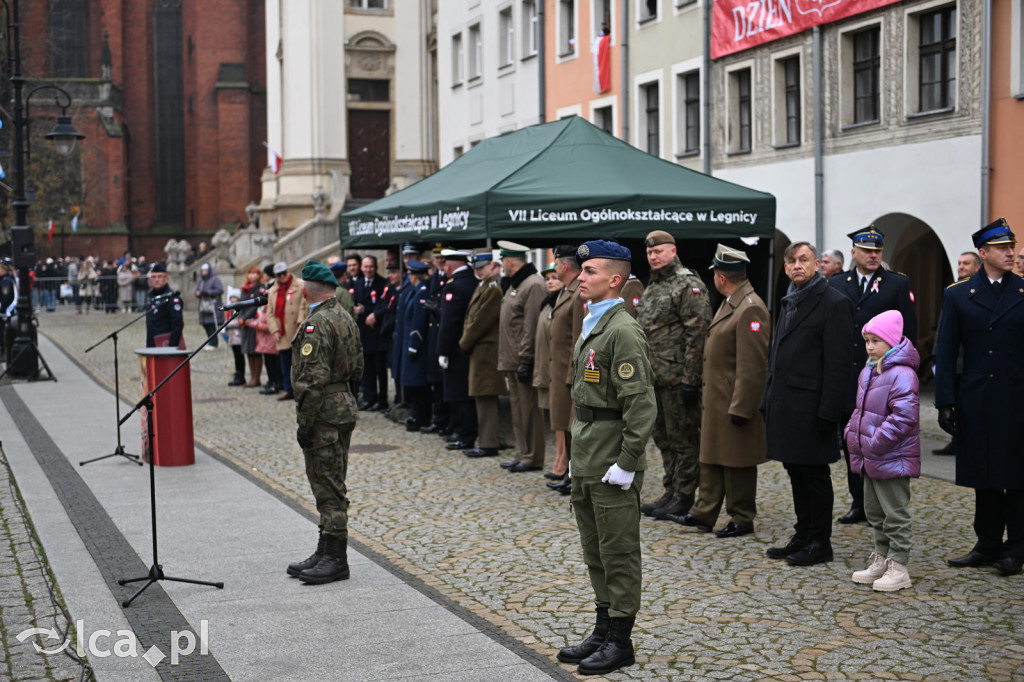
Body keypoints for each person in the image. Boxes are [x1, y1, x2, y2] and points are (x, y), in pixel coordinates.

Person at [557, 240, 656, 676]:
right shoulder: (594, 322)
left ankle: (621, 639)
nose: (581, 275)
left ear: (615, 279)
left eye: (591, 270)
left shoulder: (622, 330)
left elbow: (640, 405)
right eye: (582, 269)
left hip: (611, 456)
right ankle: (602, 628)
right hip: (588, 450)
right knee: (595, 548)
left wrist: (629, 460)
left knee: (618, 550)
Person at [936, 218, 1024, 577]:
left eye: (1012, 246)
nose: (1010, 252)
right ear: (983, 253)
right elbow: (946, 350)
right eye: (1002, 247)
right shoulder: (958, 294)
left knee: (1017, 477)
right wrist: (945, 401)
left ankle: (1016, 548)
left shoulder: (1022, 291)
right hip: (977, 396)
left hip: (1017, 397)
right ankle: (987, 543)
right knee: (984, 475)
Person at [761, 242, 853, 566]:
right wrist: (766, 398)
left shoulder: (833, 302)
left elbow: (839, 364)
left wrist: (830, 413)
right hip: (786, 404)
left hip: (813, 408)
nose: (797, 265)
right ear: (785, 268)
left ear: (817, 264)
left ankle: (819, 541)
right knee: (795, 471)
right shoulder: (789, 299)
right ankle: (802, 534)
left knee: (815, 475)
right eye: (791, 261)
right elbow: (777, 355)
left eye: (803, 260)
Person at [669, 245, 769, 538]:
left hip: (734, 400)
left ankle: (742, 516)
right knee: (712, 456)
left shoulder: (749, 307)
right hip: (717, 398)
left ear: (721, 277)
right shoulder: (731, 302)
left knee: (737, 460)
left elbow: (753, 366)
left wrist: (742, 406)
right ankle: (704, 511)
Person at [830, 226, 918, 525]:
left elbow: (909, 332)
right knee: (853, 441)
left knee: (881, 442)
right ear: (853, 253)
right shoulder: (838, 283)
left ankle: (882, 505)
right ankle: (860, 502)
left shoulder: (896, 284)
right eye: (866, 251)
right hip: (848, 378)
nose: (873, 256)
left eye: (877, 251)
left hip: (883, 379)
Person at [287, 260, 364, 585]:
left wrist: (305, 422)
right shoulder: (344, 316)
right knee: (331, 479)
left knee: (327, 484)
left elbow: (311, 380)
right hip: (342, 406)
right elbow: (359, 366)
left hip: (324, 414)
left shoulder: (316, 324)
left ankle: (336, 558)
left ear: (306, 289)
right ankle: (324, 549)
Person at [635, 230, 712, 520]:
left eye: (659, 252)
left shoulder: (687, 284)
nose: (654, 257)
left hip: (678, 379)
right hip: (654, 377)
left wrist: (691, 379)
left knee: (684, 439)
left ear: (673, 251)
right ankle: (671, 489)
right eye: (650, 253)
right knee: (663, 438)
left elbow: (698, 332)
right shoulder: (652, 286)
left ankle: (685, 495)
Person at [845, 309, 920, 591]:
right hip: (871, 455)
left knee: (895, 513)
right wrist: (852, 433)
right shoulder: (869, 370)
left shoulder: (902, 373)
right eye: (866, 340)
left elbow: (904, 417)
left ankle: (899, 565)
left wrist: (874, 441)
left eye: (875, 340)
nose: (869, 346)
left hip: (892, 457)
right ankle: (881, 557)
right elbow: (860, 409)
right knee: (874, 511)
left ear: (890, 341)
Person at [496, 240, 548, 473]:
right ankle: (522, 452)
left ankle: (532, 457)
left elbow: (531, 325)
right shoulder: (515, 284)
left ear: (510, 261)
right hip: (511, 358)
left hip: (522, 358)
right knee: (518, 411)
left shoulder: (533, 284)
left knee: (528, 411)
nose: (503, 266)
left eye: (503, 262)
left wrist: (526, 358)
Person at [545, 245, 586, 494]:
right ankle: (570, 475)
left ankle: (575, 476)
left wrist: (573, 374)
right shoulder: (566, 292)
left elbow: (577, 339)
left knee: (572, 426)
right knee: (564, 424)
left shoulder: (577, 294)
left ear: (565, 265)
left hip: (568, 371)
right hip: (559, 370)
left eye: (557, 263)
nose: (555, 267)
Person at [932, 251, 982, 456]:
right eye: (959, 263)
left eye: (966, 263)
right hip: (954, 360)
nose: (961, 266)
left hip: (970, 362)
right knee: (956, 404)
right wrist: (937, 353)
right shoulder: (953, 292)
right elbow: (945, 327)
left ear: (977, 266)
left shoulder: (979, 291)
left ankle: (967, 442)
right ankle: (956, 439)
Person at [460, 253, 508, 457]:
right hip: (481, 349)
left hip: (486, 349)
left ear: (491, 265)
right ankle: (490, 438)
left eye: (482, 267)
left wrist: (464, 342)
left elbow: (480, 321)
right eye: (476, 268)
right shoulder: (484, 285)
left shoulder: (492, 288)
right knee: (482, 395)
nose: (478, 271)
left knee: (485, 395)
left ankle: (489, 443)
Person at [437, 249, 479, 450]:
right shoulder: (472, 281)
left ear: (450, 265)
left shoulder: (454, 286)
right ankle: (465, 432)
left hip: (456, 347)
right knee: (466, 392)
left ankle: (465, 433)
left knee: (459, 394)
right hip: (471, 344)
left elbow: (449, 322)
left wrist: (443, 351)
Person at [398, 260, 433, 430]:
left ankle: (422, 418)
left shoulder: (422, 292)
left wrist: (414, 344)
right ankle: (417, 415)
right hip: (409, 342)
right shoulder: (415, 291)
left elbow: (419, 320)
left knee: (420, 385)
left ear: (414, 276)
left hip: (417, 344)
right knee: (414, 384)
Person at [266, 261, 307, 400]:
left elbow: (304, 305)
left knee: (300, 361)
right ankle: (289, 389)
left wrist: (301, 323)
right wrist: (274, 330)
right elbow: (269, 313)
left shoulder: (300, 285)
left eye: (284, 273)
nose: (282, 276)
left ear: (288, 272)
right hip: (282, 331)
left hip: (296, 328)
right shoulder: (272, 290)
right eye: (279, 275)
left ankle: (302, 389)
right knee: (285, 362)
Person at [352, 256, 389, 410]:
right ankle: (369, 397)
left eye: (371, 267)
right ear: (362, 268)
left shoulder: (382, 283)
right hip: (364, 332)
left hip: (377, 332)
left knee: (380, 369)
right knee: (367, 369)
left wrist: (366, 310)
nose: (368, 270)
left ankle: (382, 400)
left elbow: (384, 305)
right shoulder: (358, 283)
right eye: (366, 267)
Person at [145, 263, 184, 348]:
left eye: (160, 276)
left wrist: (171, 346)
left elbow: (177, 325)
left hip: (165, 345)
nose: (156, 280)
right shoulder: (151, 297)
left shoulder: (172, 299)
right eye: (154, 277)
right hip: (152, 343)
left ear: (166, 279)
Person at [238, 266, 265, 387]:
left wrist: (244, 318)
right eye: (250, 273)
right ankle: (252, 377)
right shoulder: (245, 289)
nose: (252, 276)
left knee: (255, 351)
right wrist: (240, 317)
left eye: (255, 273)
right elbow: (241, 304)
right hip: (244, 323)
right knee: (248, 351)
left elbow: (254, 306)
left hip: (253, 321)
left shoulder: (260, 288)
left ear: (259, 276)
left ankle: (256, 378)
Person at [195, 263, 225, 349]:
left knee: (212, 325)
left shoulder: (215, 280)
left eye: (206, 270)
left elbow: (220, 290)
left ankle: (213, 343)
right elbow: (197, 290)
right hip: (203, 306)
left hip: (212, 306)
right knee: (206, 325)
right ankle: (210, 342)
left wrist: (208, 292)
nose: (204, 272)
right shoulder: (201, 281)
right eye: (203, 271)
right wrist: (198, 293)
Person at [225, 292, 247, 386]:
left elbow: (238, 322)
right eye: (231, 298)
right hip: (232, 337)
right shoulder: (230, 310)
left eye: (234, 297)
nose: (232, 300)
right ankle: (237, 375)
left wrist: (227, 324)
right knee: (236, 357)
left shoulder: (238, 309)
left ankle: (241, 376)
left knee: (239, 358)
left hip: (238, 336)